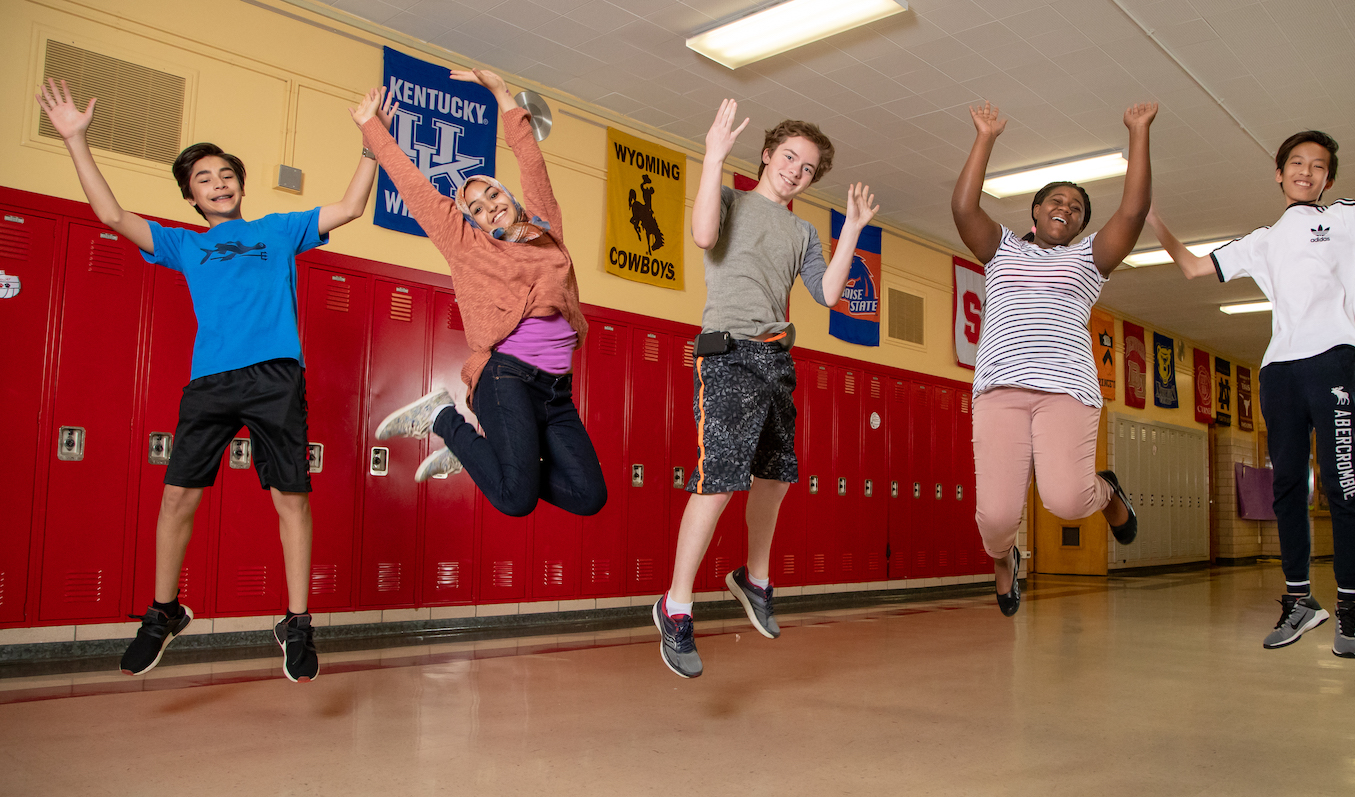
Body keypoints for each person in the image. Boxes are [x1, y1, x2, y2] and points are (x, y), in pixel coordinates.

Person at [36, 78, 387, 682]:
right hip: (212, 381)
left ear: (240, 185)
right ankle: (163, 612)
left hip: (276, 376)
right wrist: (76, 140)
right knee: (178, 496)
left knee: (292, 500)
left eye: (226, 174)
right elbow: (111, 213)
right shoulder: (184, 245)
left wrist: (370, 144)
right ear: (191, 197)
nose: (218, 183)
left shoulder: (279, 229)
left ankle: (297, 623)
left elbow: (351, 207)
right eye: (204, 178)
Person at [1146, 98, 1355, 659]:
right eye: (1297, 163)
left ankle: (1352, 609)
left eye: (1317, 166)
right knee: (1288, 486)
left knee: (1342, 484)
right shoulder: (1260, 241)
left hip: (1330, 358)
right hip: (1278, 368)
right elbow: (1192, 267)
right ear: (1279, 173)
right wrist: (1153, 218)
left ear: (1327, 178)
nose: (1306, 172)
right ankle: (1300, 601)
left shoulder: (1345, 219)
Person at [653, 100, 878, 679]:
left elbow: (827, 294)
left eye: (807, 169)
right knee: (720, 478)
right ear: (768, 155)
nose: (796, 171)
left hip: (776, 358)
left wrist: (850, 228)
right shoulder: (730, 200)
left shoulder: (802, 231)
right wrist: (712, 158)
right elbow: (703, 233)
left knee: (777, 474)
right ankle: (676, 606)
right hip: (727, 353)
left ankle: (754, 579)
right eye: (789, 157)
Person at [363, 71, 607, 525]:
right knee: (517, 500)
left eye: (492, 194)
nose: (487, 204)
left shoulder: (546, 231)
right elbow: (416, 191)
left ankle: (478, 455)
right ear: (471, 221)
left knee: (589, 496)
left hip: (555, 392)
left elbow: (531, 159)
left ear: (509, 196)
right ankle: (445, 420)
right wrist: (371, 128)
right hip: (507, 378)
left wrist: (499, 92)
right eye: (475, 207)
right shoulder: (469, 247)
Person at [951, 100, 1155, 617]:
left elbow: (1131, 213)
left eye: (1078, 208)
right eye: (1055, 201)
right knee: (995, 517)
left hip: (1066, 390)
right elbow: (964, 209)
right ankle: (1004, 559)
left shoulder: (1088, 259)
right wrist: (985, 138)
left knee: (1066, 501)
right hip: (1000, 391)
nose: (1066, 208)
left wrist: (1137, 133)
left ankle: (1107, 494)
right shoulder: (1000, 249)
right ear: (1037, 212)